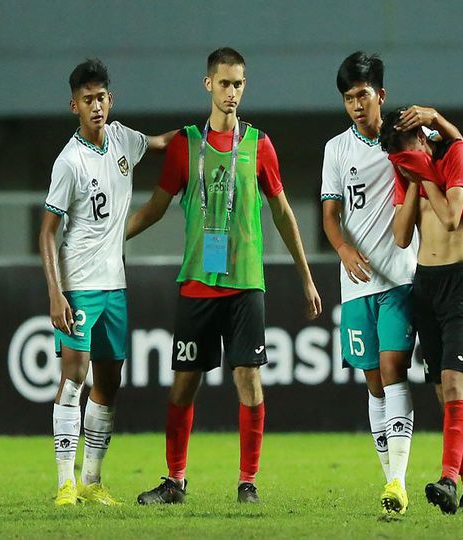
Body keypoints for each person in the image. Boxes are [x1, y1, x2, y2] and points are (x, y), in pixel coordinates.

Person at [129, 47, 322, 505]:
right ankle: (175, 481)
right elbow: (156, 207)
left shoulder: (260, 145)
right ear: (207, 84)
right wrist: (111, 239)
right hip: (198, 278)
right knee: (184, 382)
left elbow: (282, 213)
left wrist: (306, 276)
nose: (231, 92)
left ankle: (247, 482)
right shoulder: (186, 144)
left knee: (248, 378)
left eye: (238, 84)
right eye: (224, 83)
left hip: (245, 281)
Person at [39, 58, 175, 506]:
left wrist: (206, 131)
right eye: (86, 100)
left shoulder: (123, 139)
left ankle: (92, 482)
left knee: (109, 381)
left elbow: (160, 143)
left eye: (101, 98)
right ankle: (64, 484)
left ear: (110, 100)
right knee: (73, 377)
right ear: (73, 105)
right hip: (78, 283)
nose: (95, 106)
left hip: (115, 283)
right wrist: (55, 292)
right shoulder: (68, 161)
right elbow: (46, 232)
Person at [320, 52, 417, 515]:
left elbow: (446, 159)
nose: (356, 104)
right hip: (356, 283)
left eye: (362, 94)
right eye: (348, 98)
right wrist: (342, 249)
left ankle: (398, 482)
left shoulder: (405, 138)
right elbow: (330, 216)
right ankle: (390, 480)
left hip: (400, 276)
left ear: (381, 93)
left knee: (394, 369)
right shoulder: (337, 149)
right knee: (374, 381)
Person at [379, 105, 463, 513]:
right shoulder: (408, 172)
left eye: (408, 155)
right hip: (425, 285)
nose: (403, 164)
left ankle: (449, 480)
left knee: (455, 384)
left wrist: (423, 175)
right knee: (444, 393)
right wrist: (409, 183)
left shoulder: (455, 156)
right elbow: (403, 236)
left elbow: (452, 216)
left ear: (423, 140)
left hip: (459, 282)